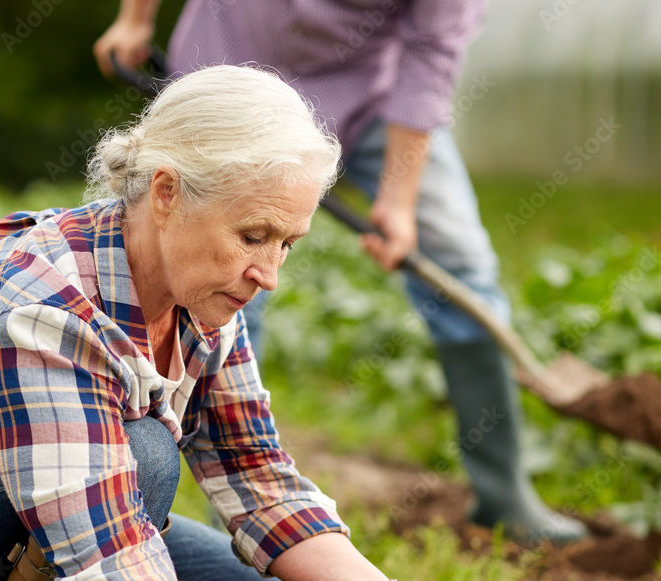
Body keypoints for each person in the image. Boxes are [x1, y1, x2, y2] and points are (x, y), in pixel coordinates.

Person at [0, 64, 476, 581]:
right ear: (168, 193)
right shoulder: (45, 303)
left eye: (287, 243)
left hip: (40, 503)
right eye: (254, 236)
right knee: (144, 458)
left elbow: (259, 479)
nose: (270, 273)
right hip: (33, 504)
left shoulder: (198, 294)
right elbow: (117, 573)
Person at [94, 0, 587, 547]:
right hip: (231, 79)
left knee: (460, 261)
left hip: (369, 96)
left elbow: (432, 53)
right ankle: (237, 525)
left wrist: (400, 198)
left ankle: (505, 493)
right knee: (227, 273)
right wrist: (136, 18)